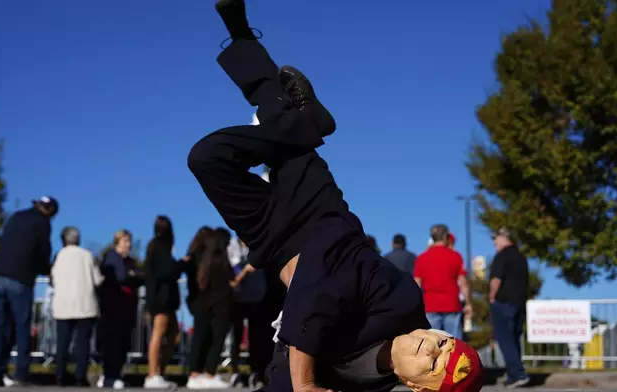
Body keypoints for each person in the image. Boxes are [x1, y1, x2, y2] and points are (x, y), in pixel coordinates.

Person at [186, 1, 484, 391]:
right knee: (245, 132)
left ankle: (304, 124)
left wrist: (293, 378)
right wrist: (304, 380)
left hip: (271, 244)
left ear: (417, 387)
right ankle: (244, 39)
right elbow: (324, 279)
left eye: (434, 364)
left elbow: (283, 373)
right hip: (317, 215)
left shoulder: (367, 383)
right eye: (446, 343)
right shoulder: (403, 301)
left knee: (207, 159)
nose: (431, 346)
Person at [0, 196, 58, 387]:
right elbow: (43, 251)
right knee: (21, 327)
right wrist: (46, 270)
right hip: (20, 278)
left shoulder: (16, 216)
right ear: (50, 211)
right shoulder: (42, 223)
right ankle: (21, 373)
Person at [51, 226, 104, 386]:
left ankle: (60, 374)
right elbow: (97, 280)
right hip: (85, 304)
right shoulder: (87, 255)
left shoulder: (58, 256)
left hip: (63, 305)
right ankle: (80, 376)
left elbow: (53, 278)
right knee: (83, 343)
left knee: (62, 343)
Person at [184, 228, 234, 389]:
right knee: (216, 339)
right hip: (219, 304)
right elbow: (228, 279)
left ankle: (195, 372)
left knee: (201, 338)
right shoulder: (219, 258)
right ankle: (208, 372)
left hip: (201, 303)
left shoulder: (197, 257)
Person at [96, 229, 143, 389]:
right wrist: (132, 276)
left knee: (123, 342)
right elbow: (122, 276)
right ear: (117, 242)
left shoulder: (130, 260)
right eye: (125, 241)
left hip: (127, 306)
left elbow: (139, 275)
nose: (128, 245)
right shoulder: (112, 257)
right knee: (113, 342)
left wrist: (134, 275)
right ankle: (110, 375)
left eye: (129, 241)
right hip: (114, 306)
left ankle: (116, 373)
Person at [144, 216, 187, 389]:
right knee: (159, 333)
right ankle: (153, 374)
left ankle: (158, 372)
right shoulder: (159, 247)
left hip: (163, 298)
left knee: (172, 334)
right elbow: (166, 272)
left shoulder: (154, 247)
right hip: (161, 298)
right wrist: (181, 265)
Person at [414, 225, 472, 338]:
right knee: (454, 344)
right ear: (446, 237)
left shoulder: (422, 258)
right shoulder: (455, 256)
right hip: (452, 304)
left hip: (430, 305)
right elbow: (463, 282)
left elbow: (417, 284)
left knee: (432, 345)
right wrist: (468, 303)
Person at [489, 228, 530, 388]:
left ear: (505, 238)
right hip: (519, 303)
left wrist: (492, 297)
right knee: (514, 340)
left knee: (505, 339)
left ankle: (518, 373)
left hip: (503, 302)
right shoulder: (521, 257)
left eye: (496, 238)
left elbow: (496, 279)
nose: (494, 242)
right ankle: (513, 375)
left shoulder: (502, 256)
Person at [229, 238, 268, 388]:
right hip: (238, 297)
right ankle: (235, 372)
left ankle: (256, 372)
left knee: (256, 338)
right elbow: (233, 268)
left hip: (256, 297)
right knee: (236, 337)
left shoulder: (257, 242)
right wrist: (245, 270)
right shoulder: (232, 246)